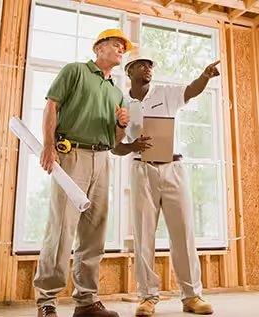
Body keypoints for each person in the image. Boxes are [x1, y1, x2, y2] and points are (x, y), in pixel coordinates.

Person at [112, 48, 221, 316]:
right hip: (142, 170)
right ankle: (147, 297)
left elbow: (191, 90)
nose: (148, 68)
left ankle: (192, 296)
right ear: (129, 71)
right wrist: (132, 145)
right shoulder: (122, 104)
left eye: (150, 65)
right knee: (144, 234)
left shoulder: (166, 93)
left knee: (183, 232)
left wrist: (205, 76)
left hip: (173, 169)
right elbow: (115, 147)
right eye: (142, 65)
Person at [34, 29, 132, 317]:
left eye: (123, 49)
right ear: (99, 48)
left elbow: (115, 142)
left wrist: (122, 124)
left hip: (102, 159)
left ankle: (86, 301)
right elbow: (52, 105)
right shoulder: (75, 71)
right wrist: (48, 146)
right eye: (116, 45)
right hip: (71, 154)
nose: (120, 51)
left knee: (94, 231)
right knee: (61, 228)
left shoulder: (117, 92)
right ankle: (47, 301)